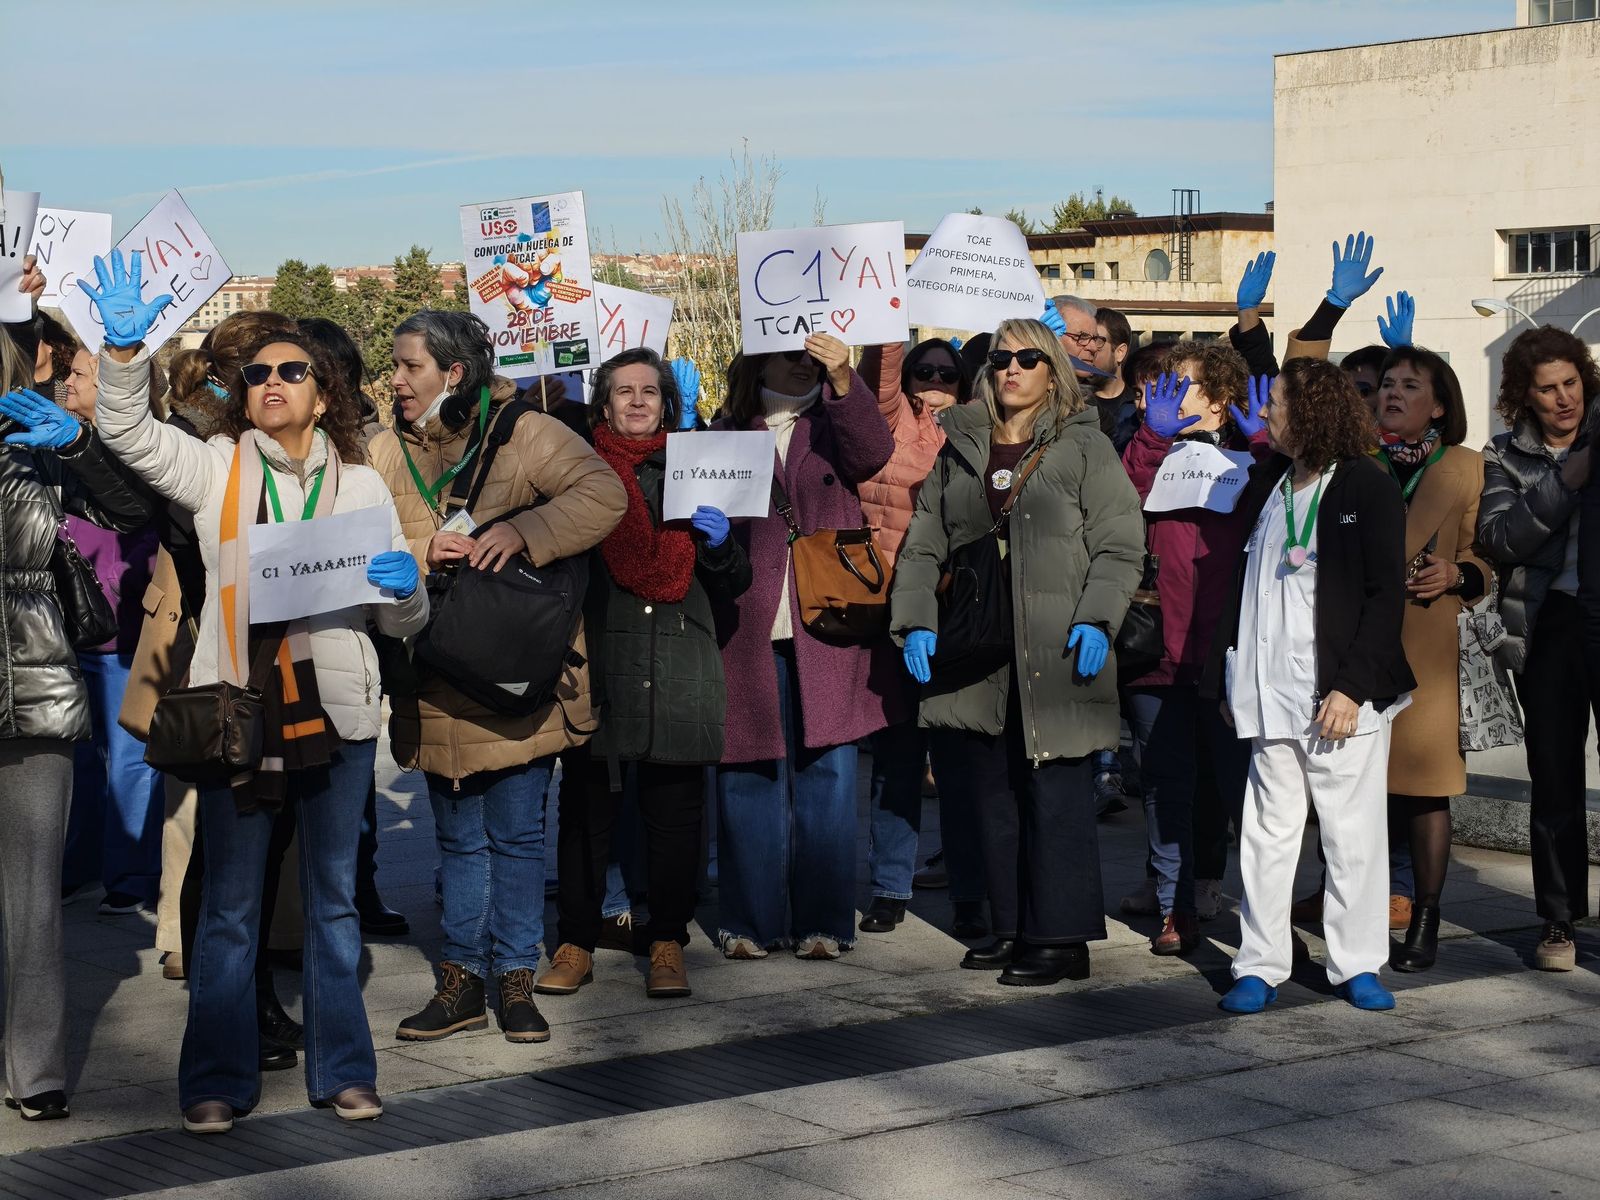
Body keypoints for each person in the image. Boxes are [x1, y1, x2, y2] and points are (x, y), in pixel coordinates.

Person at [72, 250, 430, 1133]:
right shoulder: (218, 467)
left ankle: (345, 1071)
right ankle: (215, 1080)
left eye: (292, 371)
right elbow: (130, 435)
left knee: (334, 904)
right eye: (259, 373)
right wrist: (123, 358)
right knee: (230, 910)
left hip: (339, 714)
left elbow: (402, 622)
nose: (273, 382)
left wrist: (407, 590)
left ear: (324, 395)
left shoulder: (362, 484)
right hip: (240, 709)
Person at [370, 310, 625, 1042]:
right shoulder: (384, 449)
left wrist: (525, 531)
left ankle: (515, 979)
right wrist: (420, 555)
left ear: (453, 373)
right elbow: (359, 535)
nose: (395, 379)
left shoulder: (525, 430)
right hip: (433, 666)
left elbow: (603, 494)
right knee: (457, 842)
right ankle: (461, 984)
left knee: (516, 836)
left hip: (515, 671)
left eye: (409, 366)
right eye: (395, 365)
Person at [893, 317, 1145, 985]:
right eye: (1002, 357)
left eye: (1029, 358)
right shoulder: (960, 444)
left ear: (1052, 372)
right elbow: (923, 542)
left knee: (1054, 793)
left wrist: (1097, 619)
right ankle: (1010, 928)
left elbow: (1120, 543)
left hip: (1058, 647)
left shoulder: (1084, 445)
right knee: (990, 795)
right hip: (976, 647)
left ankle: (1060, 940)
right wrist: (915, 621)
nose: (1012, 368)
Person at [536, 348, 749, 1000]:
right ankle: (575, 941)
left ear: (667, 404)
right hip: (600, 665)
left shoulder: (699, 466)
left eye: (649, 392)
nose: (636, 401)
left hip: (680, 663)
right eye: (623, 391)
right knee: (586, 813)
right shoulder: (577, 472)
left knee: (675, 817)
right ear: (603, 404)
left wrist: (722, 545)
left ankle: (666, 941)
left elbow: (737, 580)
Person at [1205, 357, 1413, 1015]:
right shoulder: (1271, 480)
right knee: (1267, 835)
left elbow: (1385, 597)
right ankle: (1259, 964)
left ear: (1310, 412)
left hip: (1339, 698)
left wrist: (1351, 687)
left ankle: (1357, 964)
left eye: (1277, 402)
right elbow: (1241, 587)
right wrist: (1229, 678)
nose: (1266, 412)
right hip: (1269, 694)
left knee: (1351, 836)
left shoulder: (1366, 484)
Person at [0, 262, 154, 1124]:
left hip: (34, 687)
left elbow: (134, 512)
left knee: (32, 900)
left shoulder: (37, 439)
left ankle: (36, 1069)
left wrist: (78, 445)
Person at [711, 332, 895, 961]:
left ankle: (825, 921)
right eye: (789, 349)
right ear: (758, 355)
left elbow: (873, 453)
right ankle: (748, 920)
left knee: (830, 777)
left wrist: (845, 378)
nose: (802, 360)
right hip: (746, 626)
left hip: (829, 623)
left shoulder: (836, 418)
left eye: (811, 351)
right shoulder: (725, 430)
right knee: (746, 774)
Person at [1119, 343, 1267, 955]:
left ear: (1221, 399)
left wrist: (1264, 445)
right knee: (1164, 785)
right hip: (1158, 646)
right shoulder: (1148, 449)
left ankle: (1263, 916)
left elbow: (1284, 509)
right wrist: (1152, 440)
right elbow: (1120, 499)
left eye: (1183, 385)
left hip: (1229, 655)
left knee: (1244, 792)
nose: (1166, 396)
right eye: (1163, 385)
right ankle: (1174, 907)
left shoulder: (1253, 460)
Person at [1480, 325, 1600, 972]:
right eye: (1548, 389)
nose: (1563, 399)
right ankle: (1559, 918)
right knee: (1554, 774)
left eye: (1571, 383)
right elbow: (1501, 539)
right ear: (1525, 396)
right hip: (1547, 623)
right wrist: (1566, 481)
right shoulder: (1504, 455)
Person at [852, 336, 980, 937]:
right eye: (922, 371)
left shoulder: (979, 430)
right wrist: (887, 314)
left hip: (957, 615)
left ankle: (970, 889)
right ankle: (889, 886)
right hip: (891, 612)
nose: (934, 382)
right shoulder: (890, 423)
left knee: (959, 765)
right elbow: (877, 379)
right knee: (897, 761)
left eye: (946, 374)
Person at [1366, 347, 1486, 973]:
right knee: (1356, 786)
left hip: (1429, 647)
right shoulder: (1359, 461)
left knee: (1425, 790)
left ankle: (1426, 916)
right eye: (1387, 383)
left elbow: (1489, 556)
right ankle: (1355, 905)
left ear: (1439, 406)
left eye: (1411, 386)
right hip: (1358, 642)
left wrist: (1459, 573)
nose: (1393, 393)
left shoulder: (1466, 467)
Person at [294, 314, 408, 939]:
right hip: (281, 638)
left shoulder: (372, 449)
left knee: (349, 781)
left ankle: (360, 887)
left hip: (355, 632)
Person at [56, 343, 164, 917]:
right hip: (70, 631)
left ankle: (132, 873)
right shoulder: (60, 443)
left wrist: (118, 585)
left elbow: (144, 537)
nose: (68, 382)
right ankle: (82, 865)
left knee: (128, 757)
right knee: (81, 759)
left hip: (123, 631)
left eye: (79, 374)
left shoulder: (138, 448)